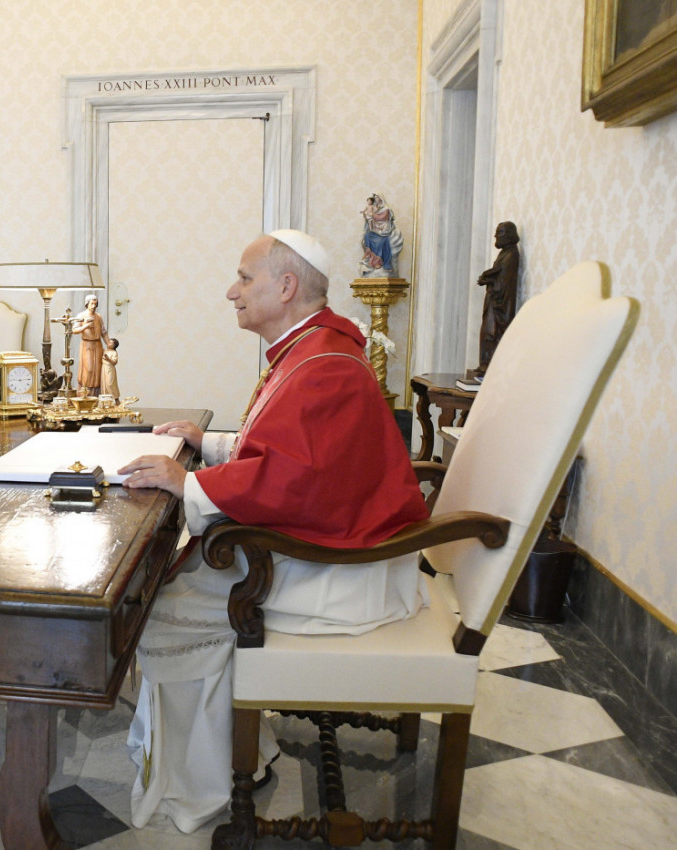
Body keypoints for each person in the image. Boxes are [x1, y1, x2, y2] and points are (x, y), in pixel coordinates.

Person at [117, 230, 429, 833]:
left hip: (345, 571)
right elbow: (290, 450)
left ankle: (204, 781)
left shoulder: (323, 366)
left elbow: (299, 482)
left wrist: (190, 484)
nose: (230, 291)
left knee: (160, 606)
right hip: (333, 542)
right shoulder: (311, 349)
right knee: (167, 585)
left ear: (286, 287)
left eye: (244, 278)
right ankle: (235, 749)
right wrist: (206, 443)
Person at [476, 221, 520, 375]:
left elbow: (504, 281)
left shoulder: (512, 254)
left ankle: (489, 364)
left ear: (508, 235)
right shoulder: (504, 253)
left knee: (491, 333)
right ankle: (484, 363)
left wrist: (487, 280)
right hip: (493, 302)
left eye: (499, 232)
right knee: (486, 332)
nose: (495, 236)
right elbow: (498, 271)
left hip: (500, 304)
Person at [72, 293, 109, 395]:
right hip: (87, 344)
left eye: (95, 304)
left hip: (97, 344)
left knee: (97, 370)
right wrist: (85, 326)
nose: (94, 306)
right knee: (88, 369)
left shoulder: (98, 317)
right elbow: (74, 330)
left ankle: (95, 395)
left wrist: (109, 343)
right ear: (87, 304)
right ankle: (84, 394)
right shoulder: (81, 315)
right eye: (92, 304)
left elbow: (103, 332)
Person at [359, 193, 403, 277]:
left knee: (382, 241)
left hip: (384, 229)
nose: (376, 198)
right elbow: (370, 216)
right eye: (375, 197)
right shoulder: (376, 208)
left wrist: (372, 215)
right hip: (375, 228)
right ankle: (369, 257)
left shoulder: (386, 209)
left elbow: (381, 217)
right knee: (367, 236)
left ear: (381, 198)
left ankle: (378, 262)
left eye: (377, 197)